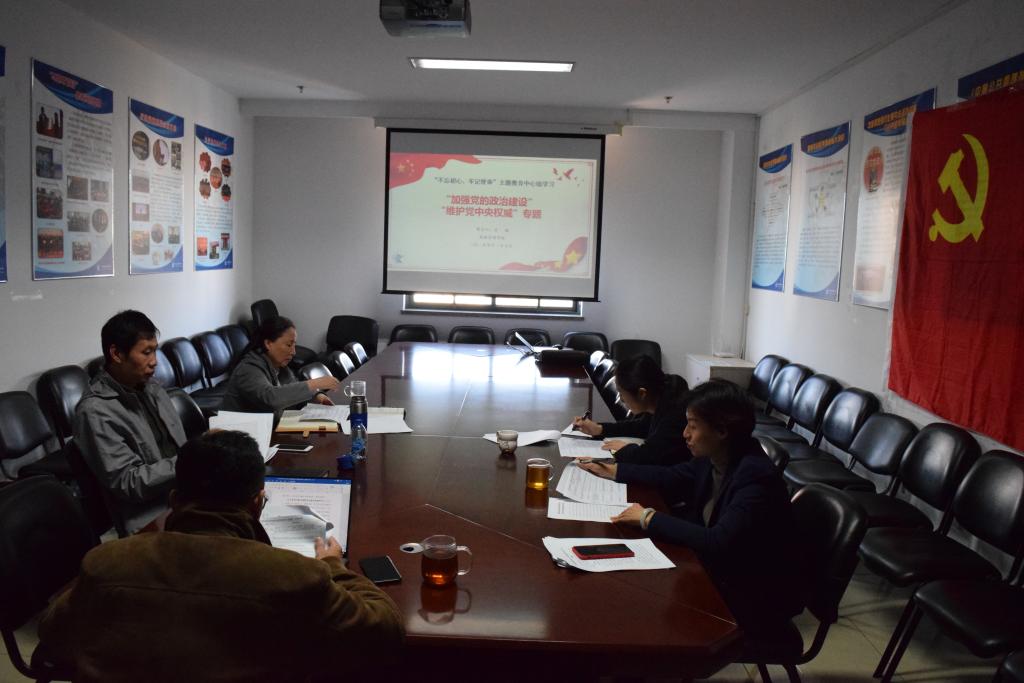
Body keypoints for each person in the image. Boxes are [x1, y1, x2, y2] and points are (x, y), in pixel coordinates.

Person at [39, 430, 405, 682]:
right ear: (257, 503)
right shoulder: (290, 575)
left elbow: (54, 635)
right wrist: (332, 566)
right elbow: (384, 627)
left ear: (173, 500)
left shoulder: (108, 562)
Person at [577, 379, 807, 635]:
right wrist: (615, 471)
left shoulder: (755, 477)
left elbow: (718, 541)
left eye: (693, 426)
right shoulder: (717, 456)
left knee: (638, 613)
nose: (685, 434)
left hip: (752, 597)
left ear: (722, 431)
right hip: (716, 570)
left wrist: (648, 518)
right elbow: (673, 475)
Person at [74, 310, 186, 533]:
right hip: (150, 518)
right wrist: (191, 461)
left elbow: (177, 448)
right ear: (116, 354)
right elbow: (129, 482)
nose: (154, 362)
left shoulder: (152, 388)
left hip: (183, 496)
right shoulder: (96, 412)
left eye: (155, 350)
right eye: (146, 352)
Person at [572, 354, 690, 465]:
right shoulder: (658, 394)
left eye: (622, 393)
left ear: (642, 393)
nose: (621, 399)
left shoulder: (675, 414)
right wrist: (599, 429)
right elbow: (642, 426)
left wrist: (625, 449)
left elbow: (651, 457)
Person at [220, 315, 339, 422]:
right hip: (241, 433)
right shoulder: (248, 369)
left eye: (294, 345)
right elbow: (271, 398)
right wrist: (314, 383)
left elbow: (294, 390)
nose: (293, 352)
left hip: (268, 428)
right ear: (268, 343)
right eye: (289, 345)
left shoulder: (280, 366)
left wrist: (317, 396)